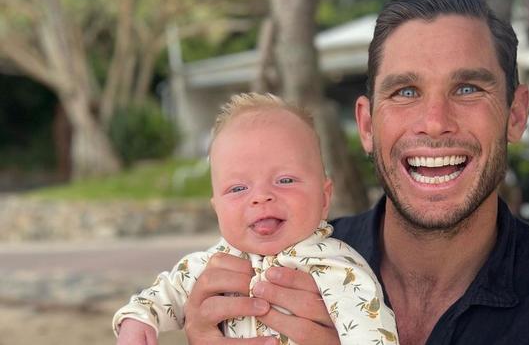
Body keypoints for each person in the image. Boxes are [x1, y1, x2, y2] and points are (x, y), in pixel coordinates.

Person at [183, 0, 529, 344]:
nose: (434, 122)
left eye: (468, 89)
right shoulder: (274, 268)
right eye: (406, 92)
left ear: (516, 114)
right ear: (366, 125)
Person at [112, 93, 398, 344]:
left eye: (285, 180)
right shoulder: (212, 265)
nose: (260, 197)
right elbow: (165, 294)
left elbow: (370, 334)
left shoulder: (338, 268)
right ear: (217, 209)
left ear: (324, 198)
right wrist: (137, 321)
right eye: (238, 188)